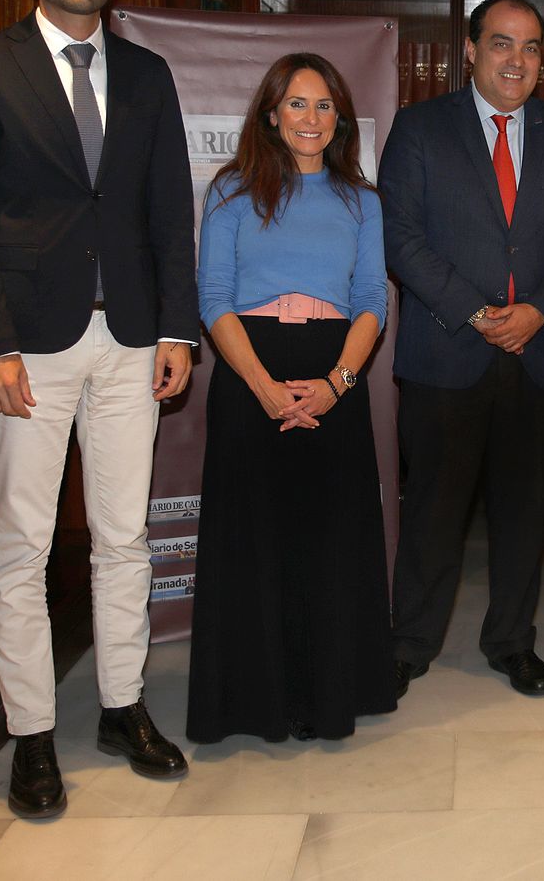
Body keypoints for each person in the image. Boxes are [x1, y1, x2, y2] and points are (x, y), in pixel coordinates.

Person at [0, 0, 197, 818]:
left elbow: (171, 209)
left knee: (125, 535)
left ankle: (122, 707)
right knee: (22, 545)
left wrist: (179, 329)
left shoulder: (147, 74)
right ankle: (33, 735)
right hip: (29, 350)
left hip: (131, 339)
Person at [380, 0, 544, 697]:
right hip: (448, 353)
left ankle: (511, 640)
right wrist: (477, 311)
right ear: (469, 50)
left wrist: (538, 311)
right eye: (502, 43)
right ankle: (409, 641)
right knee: (434, 514)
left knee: (523, 514)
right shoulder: (419, 129)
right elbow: (402, 240)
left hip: (537, 358)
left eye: (531, 47)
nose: (518, 59)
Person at [184, 53, 395, 742]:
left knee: (328, 547)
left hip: (336, 376)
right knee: (257, 546)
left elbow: (369, 301)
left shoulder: (363, 202)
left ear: (340, 118)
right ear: (271, 114)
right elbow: (213, 299)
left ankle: (328, 697)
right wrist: (264, 388)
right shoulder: (229, 192)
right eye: (297, 105)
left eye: (325, 105)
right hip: (253, 378)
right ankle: (257, 701)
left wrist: (336, 385)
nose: (312, 118)